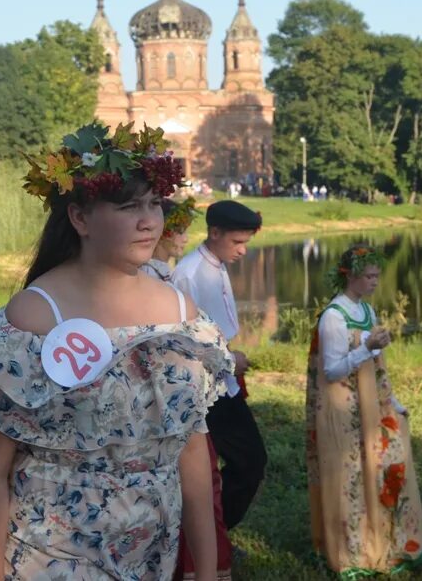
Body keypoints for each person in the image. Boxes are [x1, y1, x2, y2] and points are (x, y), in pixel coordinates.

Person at [0, 123, 233, 580]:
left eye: (155, 203)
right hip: (52, 552)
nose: (150, 220)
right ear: (79, 218)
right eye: (129, 205)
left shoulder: (180, 311)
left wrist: (208, 572)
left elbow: (191, 451)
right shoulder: (34, 316)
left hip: (153, 548)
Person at [306, 244, 422, 574]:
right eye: (370, 276)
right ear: (351, 277)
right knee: (349, 475)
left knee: (379, 468)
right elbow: (331, 371)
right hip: (344, 409)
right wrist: (367, 347)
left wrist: (395, 404)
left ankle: (383, 543)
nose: (376, 282)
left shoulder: (366, 311)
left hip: (370, 406)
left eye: (377, 276)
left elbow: (377, 370)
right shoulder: (334, 316)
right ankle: (351, 553)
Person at [145, 198, 232, 580]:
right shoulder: (161, 280)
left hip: (183, 400)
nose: (181, 238)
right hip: (163, 408)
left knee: (197, 484)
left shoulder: (166, 277)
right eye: (176, 229)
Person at [173, 199, 268, 530]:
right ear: (214, 232)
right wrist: (228, 360)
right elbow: (183, 340)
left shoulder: (215, 263)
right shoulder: (188, 273)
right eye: (237, 242)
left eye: (246, 243)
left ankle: (213, 535)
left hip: (223, 374)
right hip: (205, 382)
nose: (242, 251)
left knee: (243, 461)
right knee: (248, 460)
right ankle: (212, 536)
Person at [141, 197, 197, 283]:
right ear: (161, 232)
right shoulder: (148, 275)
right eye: (180, 232)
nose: (186, 239)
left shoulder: (160, 271)